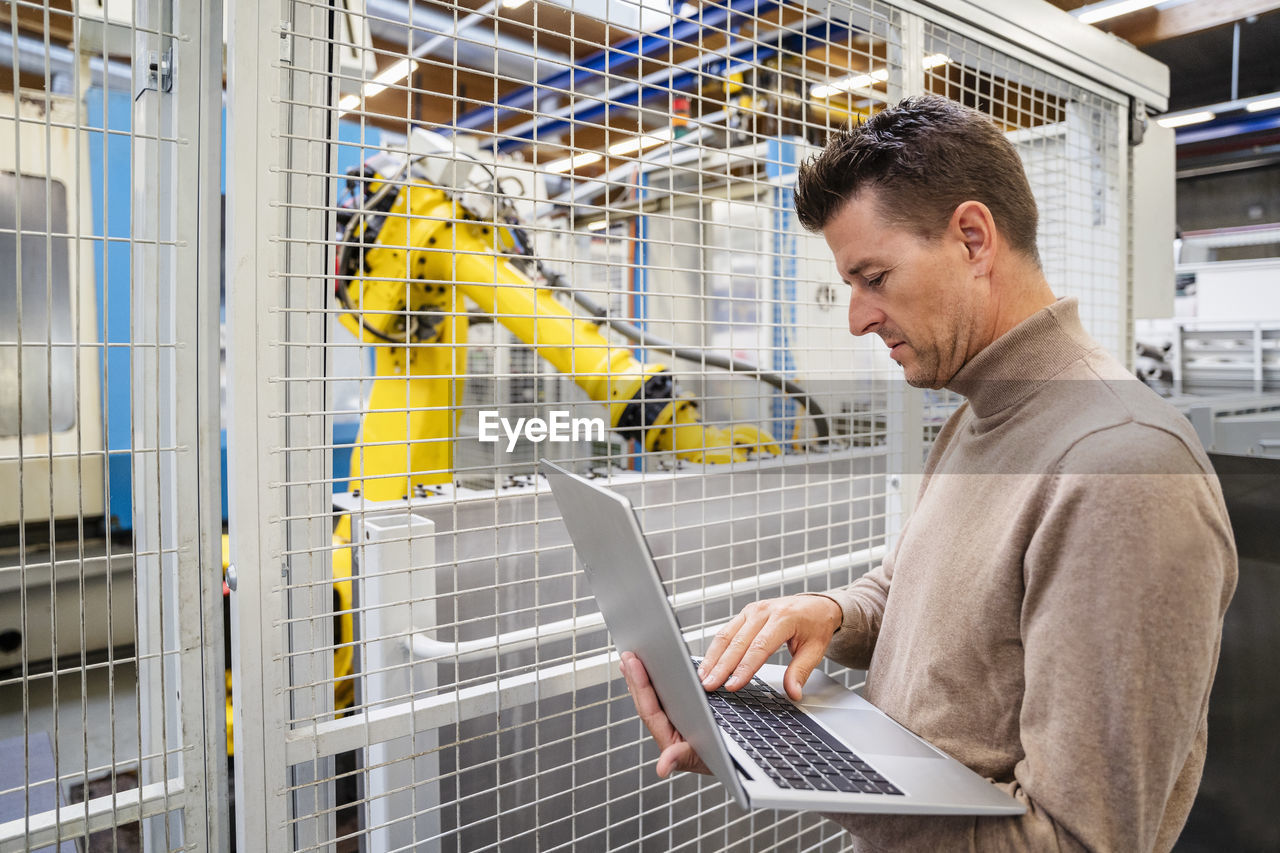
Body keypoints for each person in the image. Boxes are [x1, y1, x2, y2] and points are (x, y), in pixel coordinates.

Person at [619, 95, 1238, 852]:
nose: (855, 317)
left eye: (873, 276)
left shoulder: (1121, 468)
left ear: (973, 238)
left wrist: (823, 772)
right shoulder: (978, 412)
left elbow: (1079, 840)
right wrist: (835, 613)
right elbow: (920, 585)